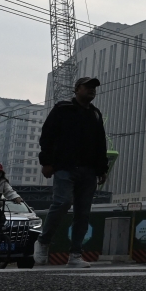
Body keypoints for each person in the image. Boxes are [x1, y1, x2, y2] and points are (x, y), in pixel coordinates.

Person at [34, 76, 110, 269]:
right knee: (62, 202)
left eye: (94, 88)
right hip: (65, 168)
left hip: (89, 171)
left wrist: (102, 169)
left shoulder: (95, 114)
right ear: (77, 89)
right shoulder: (62, 109)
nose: (92, 90)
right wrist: (46, 162)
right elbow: (47, 135)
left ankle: (75, 254)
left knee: (83, 213)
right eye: (87, 87)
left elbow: (101, 144)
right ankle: (43, 241)